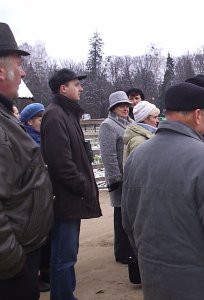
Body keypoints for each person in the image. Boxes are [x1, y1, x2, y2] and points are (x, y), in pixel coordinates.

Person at [121, 82, 204, 299]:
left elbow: (129, 223)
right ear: (198, 115)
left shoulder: (136, 157)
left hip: (155, 281)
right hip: (201, 285)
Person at [0, 22, 53, 300]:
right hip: (11, 268)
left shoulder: (5, 115)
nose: (23, 72)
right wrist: (12, 262)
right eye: (19, 64)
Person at [41, 68, 102, 299]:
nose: (81, 88)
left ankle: (67, 294)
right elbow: (60, 164)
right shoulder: (55, 115)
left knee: (68, 253)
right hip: (64, 198)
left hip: (70, 196)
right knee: (63, 254)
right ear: (62, 88)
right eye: (76, 84)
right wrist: (83, 186)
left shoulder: (67, 114)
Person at [19, 102, 52, 292]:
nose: (43, 121)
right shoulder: (27, 143)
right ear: (30, 121)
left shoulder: (45, 138)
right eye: (40, 118)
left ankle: (47, 272)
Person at [98, 91, 134, 264]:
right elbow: (108, 155)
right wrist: (115, 179)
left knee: (129, 214)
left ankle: (130, 249)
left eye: (127, 105)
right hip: (120, 179)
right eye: (121, 105)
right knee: (121, 215)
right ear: (113, 108)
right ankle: (122, 252)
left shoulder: (130, 123)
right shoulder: (108, 126)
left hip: (131, 177)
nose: (125, 108)